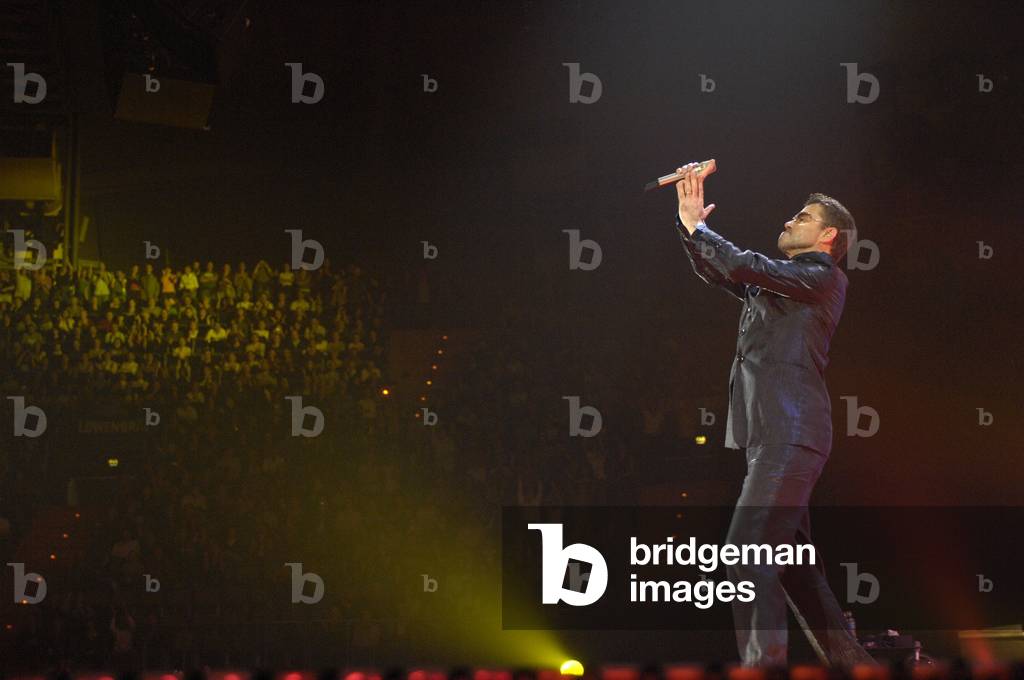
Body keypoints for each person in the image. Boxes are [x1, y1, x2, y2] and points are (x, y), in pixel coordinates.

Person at [673, 162, 873, 668]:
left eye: (802, 217)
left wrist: (701, 229)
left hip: (790, 431)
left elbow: (745, 266)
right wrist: (688, 222)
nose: (789, 221)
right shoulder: (784, 284)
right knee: (795, 568)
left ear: (828, 235)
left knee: (747, 556)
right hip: (773, 434)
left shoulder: (821, 276)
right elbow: (725, 272)